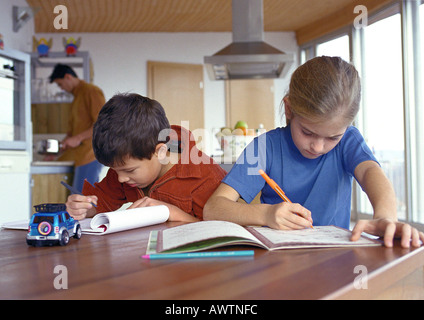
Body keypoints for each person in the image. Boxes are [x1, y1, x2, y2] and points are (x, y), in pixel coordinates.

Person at [204, 56, 424, 248]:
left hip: (334, 260)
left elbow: (370, 173)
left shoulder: (349, 140)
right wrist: (265, 214)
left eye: (332, 137)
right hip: (277, 261)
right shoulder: (264, 147)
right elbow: (213, 209)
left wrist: (386, 217)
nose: (318, 147)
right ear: (289, 109)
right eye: (307, 132)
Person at [65, 93, 226, 222]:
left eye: (130, 170)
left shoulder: (206, 177)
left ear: (160, 152)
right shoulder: (126, 166)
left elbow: (222, 232)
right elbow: (102, 202)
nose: (120, 178)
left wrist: (171, 212)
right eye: (114, 170)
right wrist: (85, 208)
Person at [49, 64, 105, 192]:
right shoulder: (76, 97)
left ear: (68, 77)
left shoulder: (91, 91)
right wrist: (57, 152)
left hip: (91, 154)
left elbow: (102, 124)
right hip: (80, 155)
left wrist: (78, 138)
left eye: (60, 84)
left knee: (83, 199)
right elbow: (72, 133)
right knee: (79, 199)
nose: (61, 89)